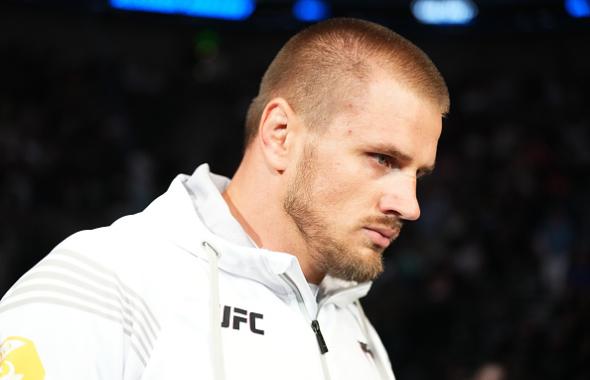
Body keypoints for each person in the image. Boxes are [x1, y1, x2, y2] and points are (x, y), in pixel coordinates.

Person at [0, 17, 449, 380]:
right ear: (280, 134)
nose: (410, 206)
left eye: (419, 175)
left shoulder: (353, 323)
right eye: (383, 159)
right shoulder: (104, 283)